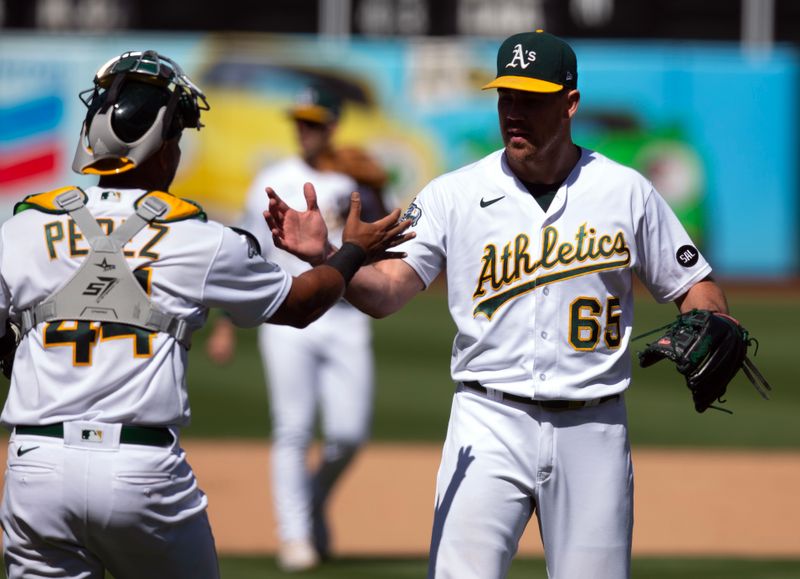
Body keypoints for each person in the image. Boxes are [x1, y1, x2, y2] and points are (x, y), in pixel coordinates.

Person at [266, 30, 730, 579]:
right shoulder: (452, 194)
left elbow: (694, 284)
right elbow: (388, 289)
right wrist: (330, 256)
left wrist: (713, 319)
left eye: (531, 99)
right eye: (507, 96)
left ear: (570, 104)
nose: (514, 111)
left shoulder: (626, 191)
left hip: (594, 429)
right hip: (487, 422)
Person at [0, 50, 410, 579]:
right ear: (165, 145)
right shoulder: (199, 239)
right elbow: (303, 304)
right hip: (141, 472)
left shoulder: (21, 229)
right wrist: (349, 250)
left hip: (35, 466)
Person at [205, 83, 389, 572]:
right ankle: (294, 536)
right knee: (293, 429)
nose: (305, 130)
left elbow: (382, 242)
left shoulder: (353, 177)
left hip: (347, 317)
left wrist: (378, 189)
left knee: (349, 433)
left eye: (314, 121)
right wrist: (225, 323)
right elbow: (244, 252)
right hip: (285, 315)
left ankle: (310, 500)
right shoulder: (272, 178)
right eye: (300, 121)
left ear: (331, 126)